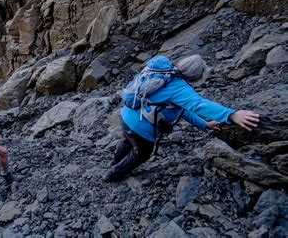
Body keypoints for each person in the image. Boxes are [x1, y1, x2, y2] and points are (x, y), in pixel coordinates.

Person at [103, 55, 260, 182]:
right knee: (142, 153)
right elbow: (198, 104)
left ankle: (114, 162)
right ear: (197, 77)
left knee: (126, 140)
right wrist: (231, 114)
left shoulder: (164, 72)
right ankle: (113, 174)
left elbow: (181, 110)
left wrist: (204, 125)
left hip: (126, 114)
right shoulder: (180, 88)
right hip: (141, 127)